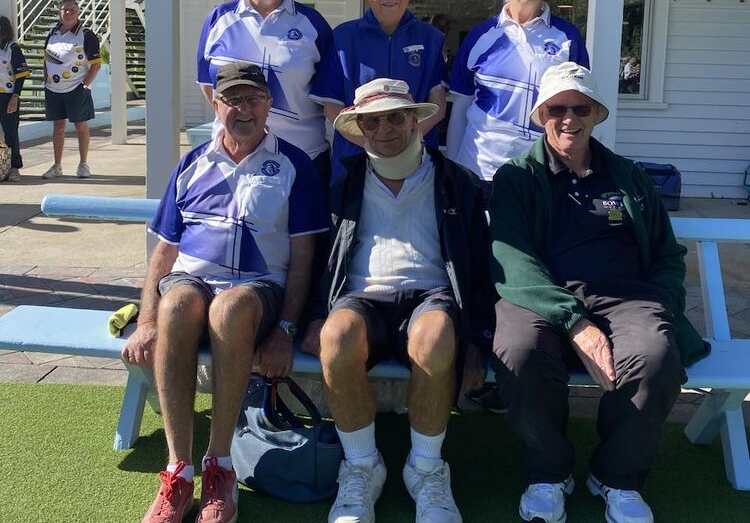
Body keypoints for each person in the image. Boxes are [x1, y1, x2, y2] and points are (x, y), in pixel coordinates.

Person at [489, 62, 709, 523]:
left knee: (655, 355)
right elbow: (514, 261)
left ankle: (617, 477)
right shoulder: (516, 177)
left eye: (580, 107)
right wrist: (575, 321)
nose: (569, 118)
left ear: (597, 115)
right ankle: (549, 472)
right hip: (541, 296)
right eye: (556, 109)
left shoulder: (629, 177)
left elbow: (668, 254)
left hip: (627, 296)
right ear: (541, 115)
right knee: (518, 350)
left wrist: (660, 304)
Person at [122, 61, 328, 523]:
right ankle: (178, 471)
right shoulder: (193, 163)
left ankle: (220, 469)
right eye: (232, 99)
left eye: (253, 98)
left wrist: (287, 329)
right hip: (192, 285)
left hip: (257, 292)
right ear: (216, 105)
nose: (243, 108)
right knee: (176, 302)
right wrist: (148, 321)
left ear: (269, 105)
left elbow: (304, 258)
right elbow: (164, 254)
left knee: (231, 307)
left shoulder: (295, 165)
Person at [303, 78, 490, 523]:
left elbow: (479, 265)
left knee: (436, 336)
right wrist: (311, 317)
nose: (385, 129)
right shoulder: (342, 184)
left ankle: (425, 469)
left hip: (431, 295)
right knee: (337, 337)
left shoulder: (456, 182)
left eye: (395, 117)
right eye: (373, 121)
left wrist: (480, 339)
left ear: (416, 121)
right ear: (360, 128)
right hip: (362, 296)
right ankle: (362, 466)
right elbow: (318, 256)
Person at [446, 0, 589, 189]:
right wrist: (454, 167)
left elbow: (579, 113)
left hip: (540, 174)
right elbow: (460, 107)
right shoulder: (481, 35)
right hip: (480, 170)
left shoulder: (568, 38)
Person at [196, 0, 334, 183]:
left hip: (302, 159)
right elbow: (208, 85)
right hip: (233, 159)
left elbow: (329, 96)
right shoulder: (218, 19)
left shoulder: (312, 25)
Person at [310, 0, 447, 181]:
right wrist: (373, 144)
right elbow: (332, 109)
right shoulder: (343, 38)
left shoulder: (430, 39)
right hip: (354, 163)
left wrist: (402, 146)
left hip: (417, 163)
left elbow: (438, 107)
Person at [41, 0, 102, 179]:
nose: (68, 13)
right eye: (64, 9)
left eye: (72, 10)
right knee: (58, 127)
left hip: (76, 88)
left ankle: (83, 164)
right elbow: (47, 59)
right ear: (59, 13)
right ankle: (57, 165)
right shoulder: (52, 33)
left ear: (78, 13)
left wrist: (85, 85)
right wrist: (46, 79)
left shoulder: (87, 35)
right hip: (54, 89)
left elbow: (96, 64)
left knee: (80, 126)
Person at [0, 15, 30, 182]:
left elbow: (22, 75)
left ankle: (14, 167)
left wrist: (15, 97)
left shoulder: (13, 48)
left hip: (7, 96)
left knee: (11, 133)